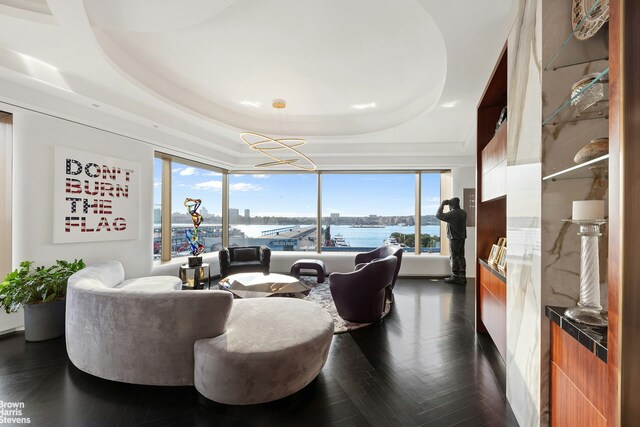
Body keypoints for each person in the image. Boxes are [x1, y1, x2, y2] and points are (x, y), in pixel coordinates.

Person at [436, 197, 467, 285]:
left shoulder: (453, 214)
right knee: (461, 257)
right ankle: (462, 276)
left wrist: (442, 204)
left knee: (453, 257)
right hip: (462, 238)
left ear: (452, 204)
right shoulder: (463, 213)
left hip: (454, 239)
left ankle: (455, 276)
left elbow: (438, 215)